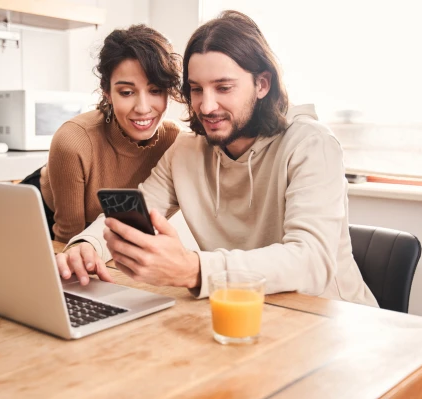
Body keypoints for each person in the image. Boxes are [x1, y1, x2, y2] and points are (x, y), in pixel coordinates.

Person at [56, 11, 378, 307]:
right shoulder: (186, 151)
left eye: (223, 87)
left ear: (262, 84)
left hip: (331, 320)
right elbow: (136, 207)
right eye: (196, 89)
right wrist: (86, 245)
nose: (206, 106)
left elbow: (310, 262)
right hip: (240, 310)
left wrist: (193, 269)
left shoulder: (310, 145)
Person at [20, 24, 182, 243]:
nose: (143, 107)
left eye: (155, 91)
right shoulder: (75, 140)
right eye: (126, 92)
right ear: (107, 92)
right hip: (42, 218)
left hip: (102, 231)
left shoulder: (174, 141)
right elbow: (68, 238)